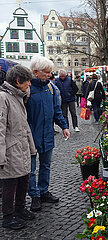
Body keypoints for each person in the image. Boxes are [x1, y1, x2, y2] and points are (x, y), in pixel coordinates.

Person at [26, 56, 70, 212]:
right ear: (36, 72)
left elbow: (57, 111)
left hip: (48, 134)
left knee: (46, 165)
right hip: (31, 136)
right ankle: (35, 195)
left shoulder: (51, 88)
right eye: (47, 72)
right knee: (31, 169)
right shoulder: (27, 90)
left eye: (51, 72)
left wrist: (64, 126)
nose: (50, 75)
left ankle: (43, 191)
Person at [0, 65, 37, 230]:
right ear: (17, 81)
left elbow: (24, 125)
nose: (29, 84)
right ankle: (8, 217)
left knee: (24, 179)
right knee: (10, 182)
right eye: (27, 81)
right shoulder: (3, 98)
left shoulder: (18, 96)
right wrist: (1, 156)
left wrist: (31, 147)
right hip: (10, 148)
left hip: (21, 146)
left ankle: (20, 209)